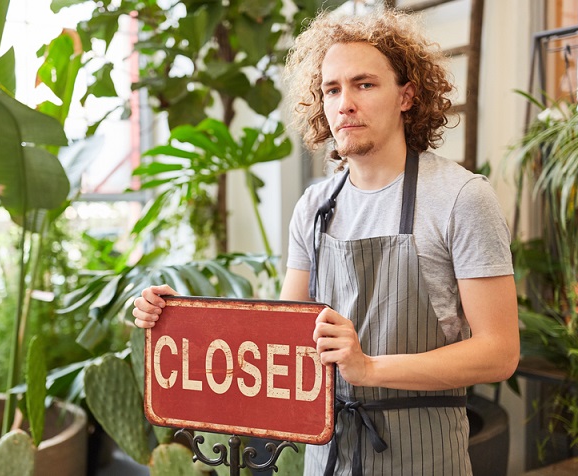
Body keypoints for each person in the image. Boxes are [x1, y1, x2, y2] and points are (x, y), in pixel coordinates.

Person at [133, 8, 519, 476]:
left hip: (424, 456)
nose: (344, 103)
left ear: (407, 95)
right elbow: (283, 339)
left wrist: (369, 368)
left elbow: (500, 352)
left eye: (364, 84)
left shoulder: (460, 198)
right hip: (327, 456)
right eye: (331, 89)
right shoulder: (314, 207)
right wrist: (180, 319)